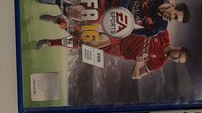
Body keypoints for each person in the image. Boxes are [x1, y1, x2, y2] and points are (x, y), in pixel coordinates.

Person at [28, 0, 190, 37]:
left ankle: (57, 2)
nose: (171, 19)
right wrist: (124, 12)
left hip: (107, 12)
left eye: (175, 20)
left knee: (75, 14)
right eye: (175, 15)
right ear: (173, 5)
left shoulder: (159, 27)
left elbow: (130, 32)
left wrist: (120, 25)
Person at [36, 29, 191, 80]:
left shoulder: (159, 63)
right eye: (178, 56)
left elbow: (135, 76)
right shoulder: (163, 33)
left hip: (118, 51)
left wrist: (138, 64)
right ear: (178, 48)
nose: (175, 59)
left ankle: (57, 32)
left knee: (84, 41)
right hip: (121, 34)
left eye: (177, 61)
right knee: (88, 41)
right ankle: (52, 39)